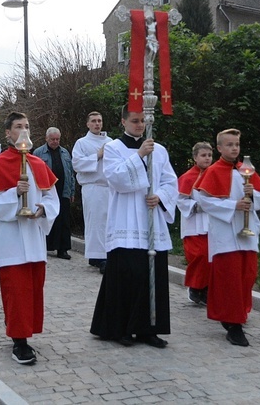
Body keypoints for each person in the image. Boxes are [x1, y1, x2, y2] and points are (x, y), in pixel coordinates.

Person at [90, 107, 177, 349]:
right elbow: (116, 179)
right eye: (135, 121)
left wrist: (159, 196)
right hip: (125, 219)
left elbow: (171, 181)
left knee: (152, 274)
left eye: (143, 121)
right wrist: (139, 155)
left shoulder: (159, 151)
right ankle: (120, 328)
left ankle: (148, 329)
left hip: (151, 220)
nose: (139, 125)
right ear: (123, 121)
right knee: (128, 274)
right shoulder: (113, 148)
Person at [0, 112, 60, 365]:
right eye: (18, 127)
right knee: (16, 290)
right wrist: (15, 192)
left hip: (34, 236)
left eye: (27, 126)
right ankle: (19, 341)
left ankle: (26, 330)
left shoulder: (37, 163)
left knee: (33, 289)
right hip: (12, 239)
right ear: (8, 133)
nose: (23, 130)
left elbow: (51, 198)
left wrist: (43, 209)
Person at [197, 128, 260, 347]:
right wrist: (233, 205)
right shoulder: (213, 171)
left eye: (237, 144)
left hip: (247, 233)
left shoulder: (245, 170)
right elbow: (204, 201)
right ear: (219, 148)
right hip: (226, 234)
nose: (234, 148)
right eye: (229, 145)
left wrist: (252, 195)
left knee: (247, 275)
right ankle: (233, 324)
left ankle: (239, 314)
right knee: (230, 278)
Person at [72, 112, 113, 273]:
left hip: (109, 188)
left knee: (108, 223)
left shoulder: (110, 142)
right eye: (94, 121)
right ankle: (99, 257)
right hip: (93, 187)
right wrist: (97, 155)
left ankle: (104, 255)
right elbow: (77, 163)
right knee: (95, 223)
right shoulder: (82, 143)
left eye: (99, 121)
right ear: (88, 124)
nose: (97, 124)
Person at [176, 141, 214, 306]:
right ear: (195, 157)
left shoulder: (216, 175)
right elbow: (179, 199)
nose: (207, 159)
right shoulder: (188, 177)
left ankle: (205, 289)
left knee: (212, 258)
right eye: (203, 155)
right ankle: (195, 286)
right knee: (199, 256)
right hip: (194, 223)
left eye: (210, 155)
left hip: (212, 223)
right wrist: (196, 207)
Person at [33, 127, 75, 259]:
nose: (55, 142)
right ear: (46, 138)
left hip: (63, 191)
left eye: (57, 139)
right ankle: (45, 246)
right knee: (48, 218)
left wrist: (71, 191)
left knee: (64, 221)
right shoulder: (39, 153)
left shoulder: (65, 153)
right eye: (52, 139)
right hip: (47, 192)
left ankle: (63, 249)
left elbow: (70, 173)